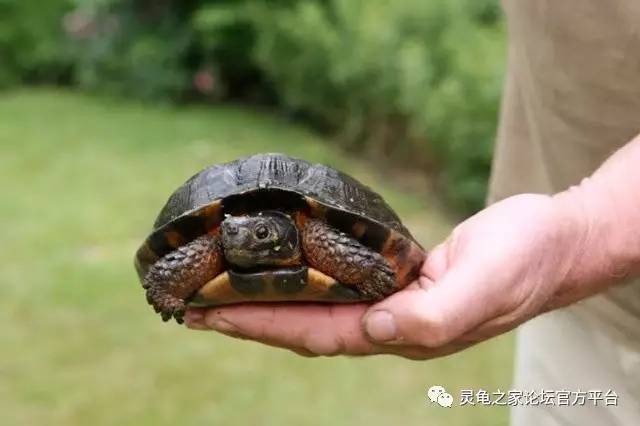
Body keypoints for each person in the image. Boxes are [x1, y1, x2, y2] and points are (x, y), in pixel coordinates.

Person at [185, 1, 640, 424]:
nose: (240, 240)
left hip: (574, 248)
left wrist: (586, 230)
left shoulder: (314, 237)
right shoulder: (224, 241)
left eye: (261, 233)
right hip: (576, 315)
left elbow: (340, 245)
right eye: (232, 235)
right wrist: (173, 283)